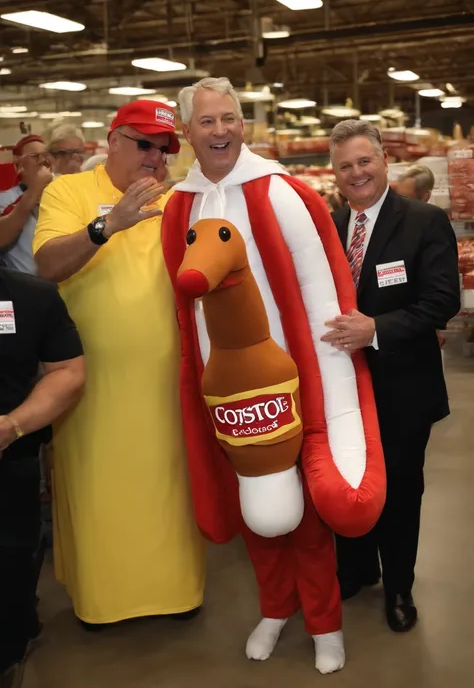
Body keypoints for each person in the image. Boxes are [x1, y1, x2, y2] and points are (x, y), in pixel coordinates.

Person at [161, 77, 386, 674]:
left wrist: (330, 391)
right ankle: (275, 606)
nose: (221, 131)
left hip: (289, 382)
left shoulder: (282, 193)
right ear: (187, 132)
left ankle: (325, 622)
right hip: (227, 388)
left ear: (244, 125)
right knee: (255, 512)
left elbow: (322, 295)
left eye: (230, 118)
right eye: (207, 122)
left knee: (308, 519)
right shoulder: (179, 205)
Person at [32, 99, 205, 629]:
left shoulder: (181, 201)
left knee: (169, 490)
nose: (155, 157)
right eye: (144, 144)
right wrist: (108, 225)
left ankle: (178, 591)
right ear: (113, 141)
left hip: (165, 383)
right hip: (92, 384)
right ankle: (102, 601)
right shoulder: (70, 192)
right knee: (99, 492)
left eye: (164, 148)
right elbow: (46, 264)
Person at [323, 120, 460, 632]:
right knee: (349, 481)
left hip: (403, 384)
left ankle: (399, 586)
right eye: (345, 166)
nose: (356, 173)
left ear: (383, 161)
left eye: (364, 161)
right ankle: (356, 569)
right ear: (336, 174)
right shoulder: (330, 228)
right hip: (343, 387)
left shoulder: (424, 221)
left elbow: (442, 300)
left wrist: (375, 328)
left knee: (401, 488)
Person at [0, 266, 85, 687]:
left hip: (10, 463)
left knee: (11, 571)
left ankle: (13, 643)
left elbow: (68, 371)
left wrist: (12, 426)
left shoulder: (31, 296)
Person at [0, 135, 53, 274]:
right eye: (35, 156)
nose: (43, 161)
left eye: (46, 155)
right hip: (27, 287)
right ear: (18, 164)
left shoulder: (59, 194)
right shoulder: (5, 198)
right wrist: (34, 189)